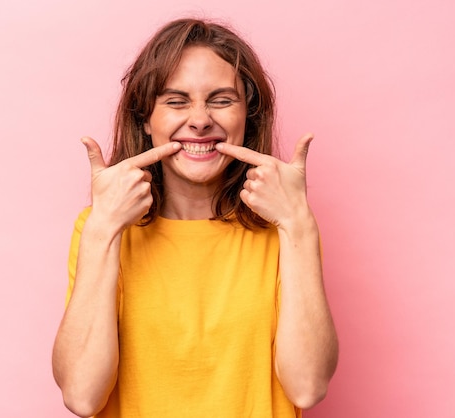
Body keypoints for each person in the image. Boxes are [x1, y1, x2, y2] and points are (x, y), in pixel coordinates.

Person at [52, 18, 338, 418]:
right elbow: (82, 396)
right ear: (145, 120)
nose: (200, 119)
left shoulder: (286, 227)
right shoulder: (98, 228)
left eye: (221, 100)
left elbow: (307, 387)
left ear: (247, 118)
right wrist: (103, 229)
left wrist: (299, 225)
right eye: (176, 101)